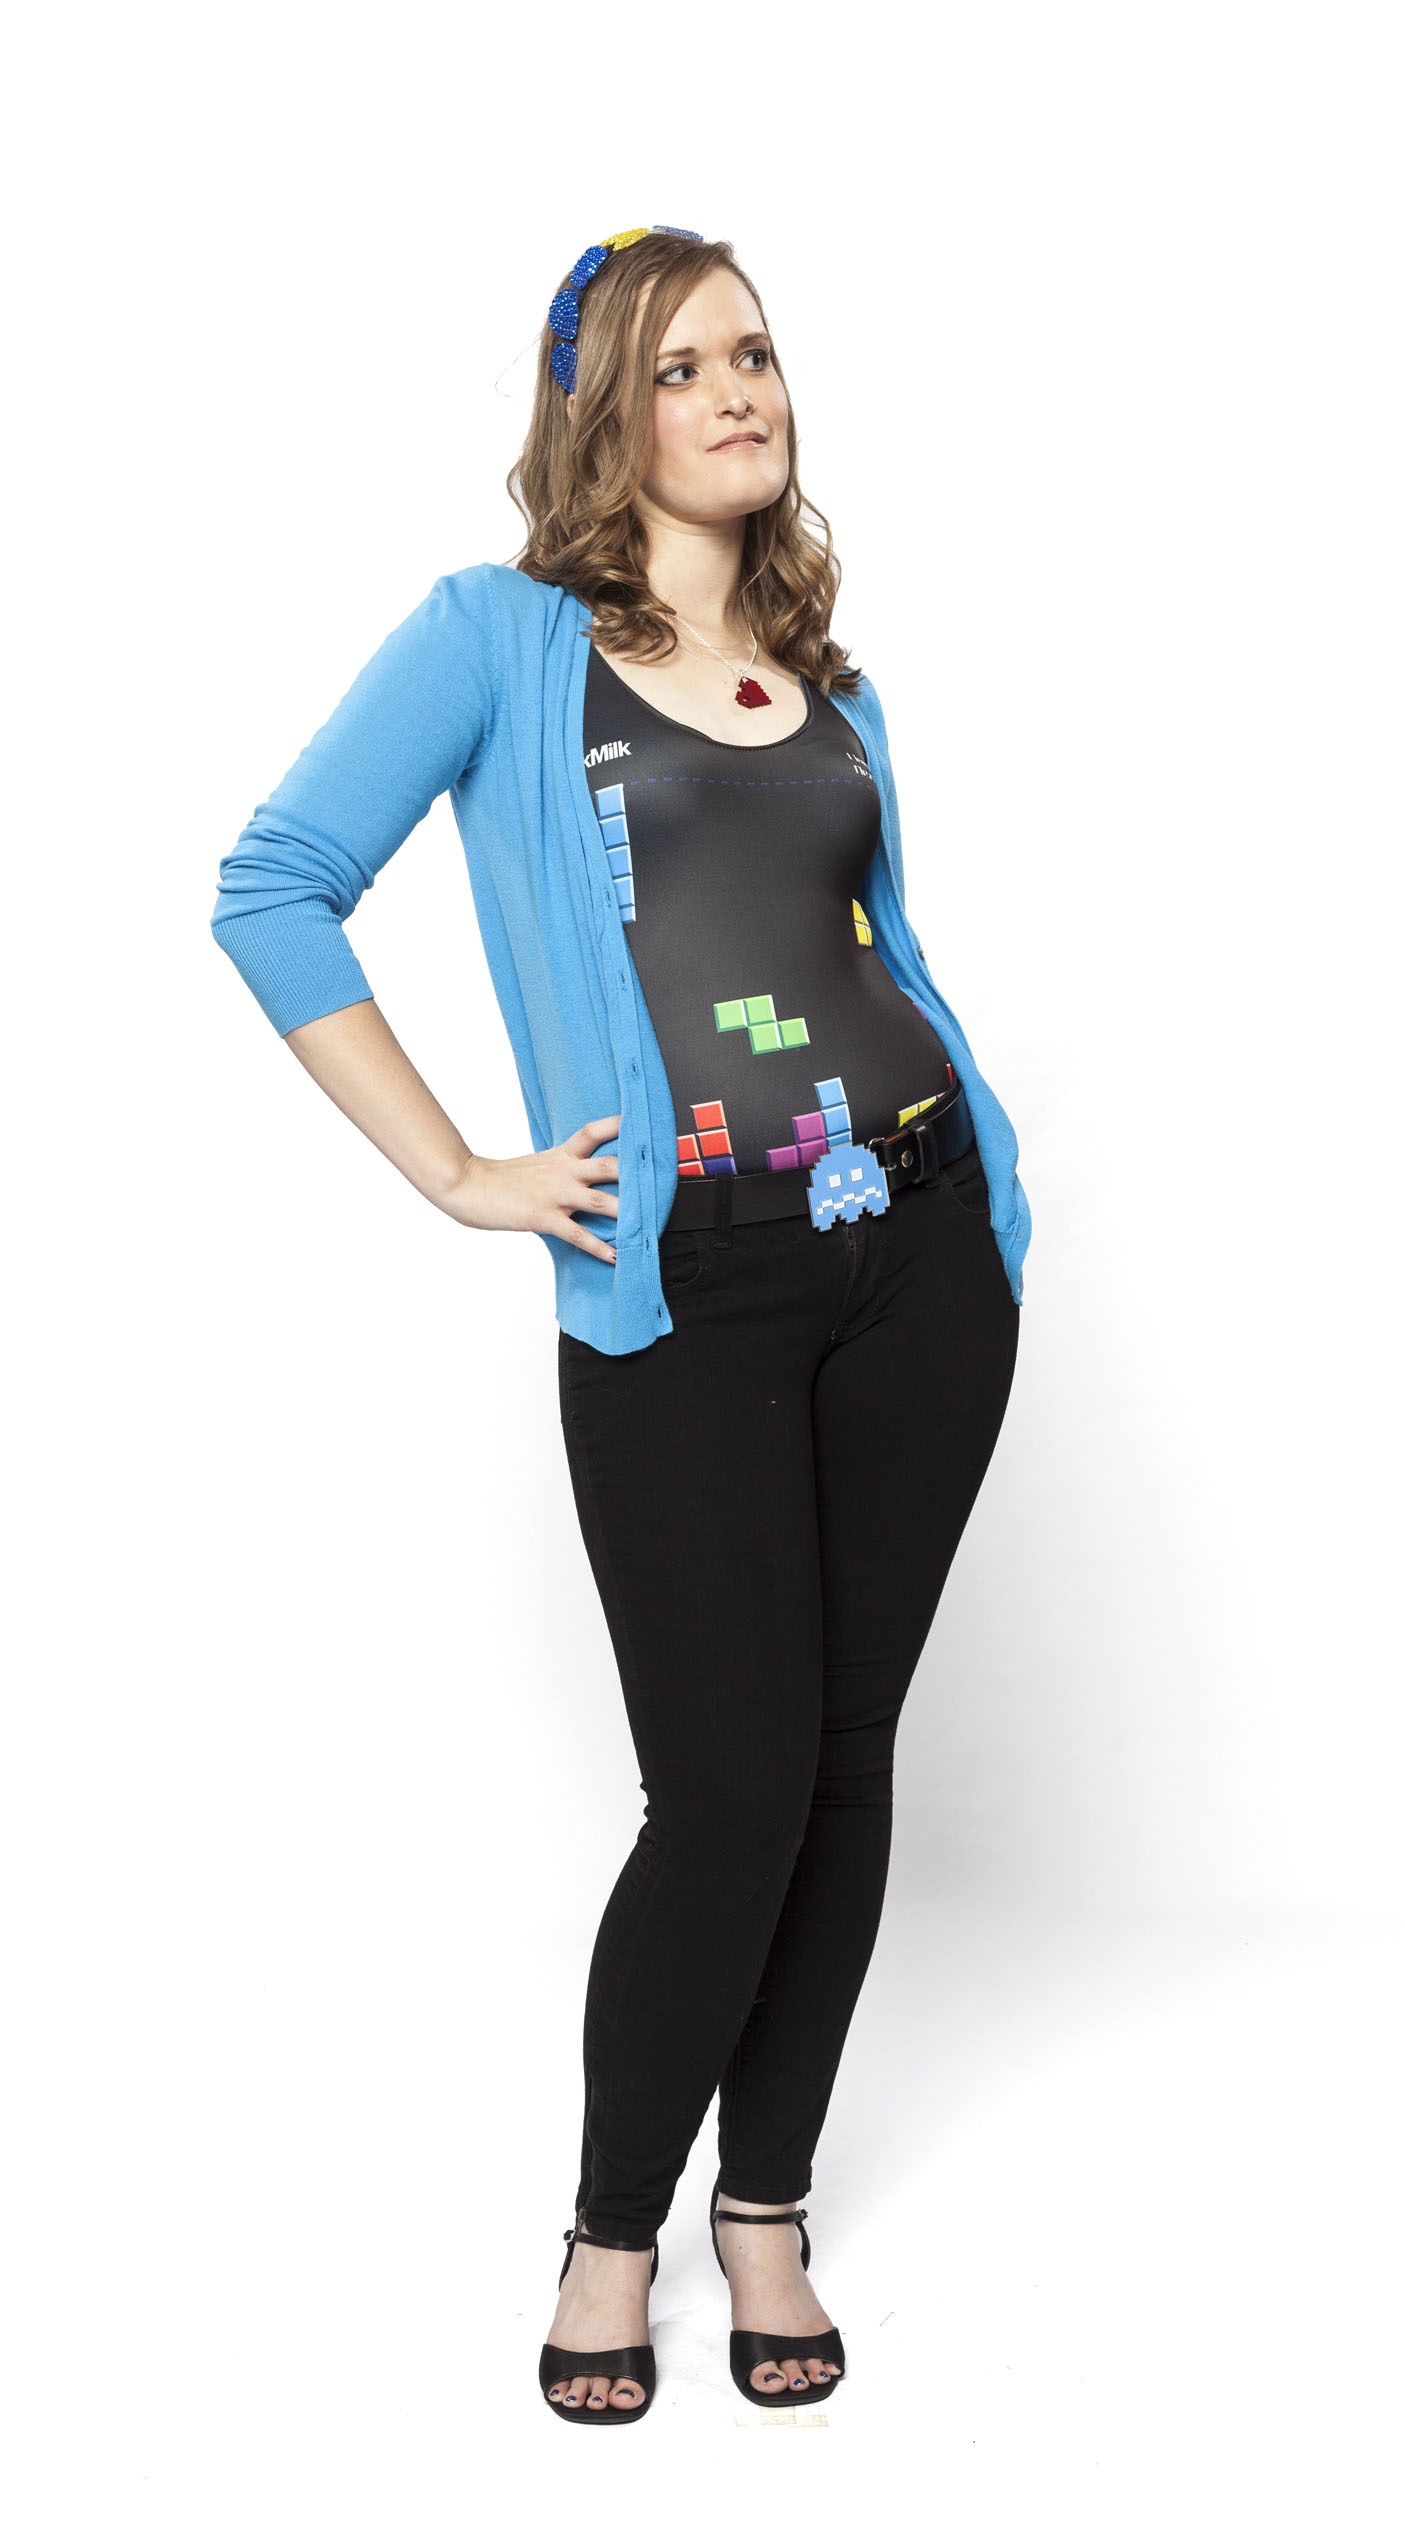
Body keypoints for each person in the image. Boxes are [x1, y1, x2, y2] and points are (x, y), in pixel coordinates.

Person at [211, 226, 1031, 2425]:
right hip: (694, 1282)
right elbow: (272, 884)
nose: (739, 390)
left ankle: (767, 2207)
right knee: (727, 1788)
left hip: (921, 1254)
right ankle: (610, 2230)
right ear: (602, 413)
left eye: (755, 351)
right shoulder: (498, 641)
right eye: (682, 366)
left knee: (844, 1762)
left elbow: (862, 948)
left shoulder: (827, 675)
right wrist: (461, 1169)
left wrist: (984, 1200)